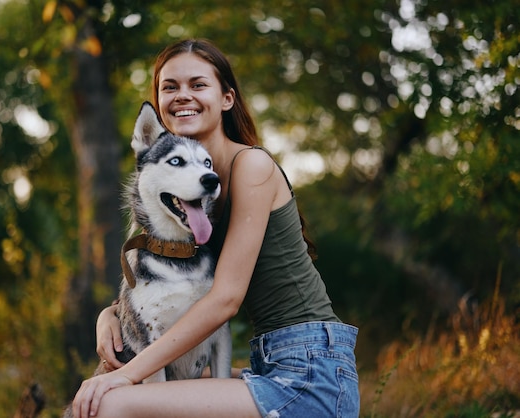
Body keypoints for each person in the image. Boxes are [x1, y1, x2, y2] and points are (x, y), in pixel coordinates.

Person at [72, 38, 360, 418]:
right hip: (269, 363)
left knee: (113, 401)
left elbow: (225, 299)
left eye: (198, 84)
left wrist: (124, 377)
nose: (182, 96)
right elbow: (155, 285)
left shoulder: (251, 167)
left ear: (227, 98)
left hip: (310, 369)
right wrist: (107, 316)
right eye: (169, 87)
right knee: (109, 391)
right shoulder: (183, 192)